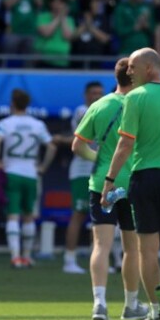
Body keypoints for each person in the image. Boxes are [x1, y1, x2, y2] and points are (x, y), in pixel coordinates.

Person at [102, 47, 160, 320]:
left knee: (146, 250)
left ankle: (157, 310)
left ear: (150, 68)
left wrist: (109, 180)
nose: (128, 71)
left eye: (133, 66)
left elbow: (125, 144)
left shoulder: (134, 98)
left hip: (145, 178)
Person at [72, 58, 149, 320]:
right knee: (132, 248)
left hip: (102, 183)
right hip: (134, 183)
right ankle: (131, 305)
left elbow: (78, 146)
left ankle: (99, 304)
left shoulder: (100, 104)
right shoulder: (141, 105)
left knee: (101, 245)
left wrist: (101, 160)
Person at [0, 89, 57, 269]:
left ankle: (15, 257)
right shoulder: (38, 125)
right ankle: (27, 256)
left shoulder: (5, 123)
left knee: (13, 215)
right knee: (29, 215)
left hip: (11, 172)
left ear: (12, 102)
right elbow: (51, 147)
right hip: (31, 173)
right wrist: (43, 167)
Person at [54, 81, 104, 274]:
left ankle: (98, 259)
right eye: (93, 93)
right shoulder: (83, 110)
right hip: (83, 170)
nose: (97, 96)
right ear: (85, 95)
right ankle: (69, 259)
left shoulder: (103, 108)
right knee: (79, 214)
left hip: (101, 169)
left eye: (99, 93)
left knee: (100, 217)